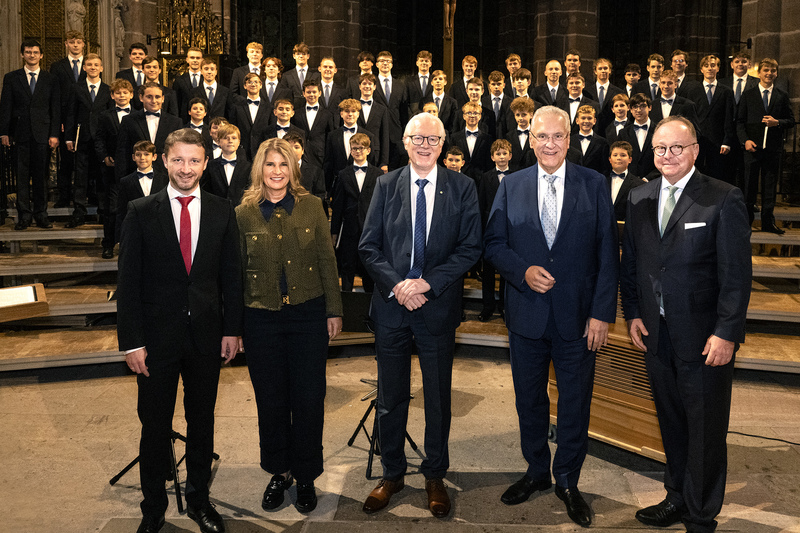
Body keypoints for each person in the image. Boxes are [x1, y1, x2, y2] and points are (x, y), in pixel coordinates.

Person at [483, 106, 618, 528]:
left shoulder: (595, 184)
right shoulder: (512, 185)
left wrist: (601, 314)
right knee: (529, 400)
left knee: (575, 402)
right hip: (527, 316)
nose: (549, 144)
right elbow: (493, 243)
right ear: (531, 139)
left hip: (579, 320)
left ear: (570, 138)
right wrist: (520, 272)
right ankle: (537, 470)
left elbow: (607, 254)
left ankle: (567, 480)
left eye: (558, 136)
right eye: (541, 136)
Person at [620, 116, 751, 533]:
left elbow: (736, 277)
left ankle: (700, 514)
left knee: (705, 429)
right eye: (660, 148)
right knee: (672, 423)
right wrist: (633, 313)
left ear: (695, 150)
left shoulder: (722, 197)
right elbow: (634, 263)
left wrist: (727, 332)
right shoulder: (639, 196)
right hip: (656, 336)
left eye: (677, 147)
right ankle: (676, 497)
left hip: (704, 338)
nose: (667, 155)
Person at [117, 128, 244, 533]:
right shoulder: (141, 210)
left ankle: (199, 501)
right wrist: (132, 342)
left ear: (206, 164)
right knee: (154, 425)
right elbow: (129, 283)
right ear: (163, 161)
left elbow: (232, 278)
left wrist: (233, 330)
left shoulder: (224, 210)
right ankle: (152, 506)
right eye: (178, 160)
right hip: (155, 340)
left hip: (207, 336)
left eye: (194, 160)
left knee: (201, 420)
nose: (185, 168)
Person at [358, 112, 482, 518]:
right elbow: (369, 246)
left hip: (437, 306)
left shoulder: (462, 187)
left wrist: (426, 284)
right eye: (417, 138)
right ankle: (392, 473)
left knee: (437, 396)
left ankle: (434, 474)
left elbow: (470, 248)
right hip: (393, 306)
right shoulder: (385, 184)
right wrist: (399, 285)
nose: (425, 145)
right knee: (390, 396)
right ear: (405, 143)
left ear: (443, 143)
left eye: (433, 139)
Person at [236, 137, 342, 514]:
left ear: (294, 169)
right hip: (260, 318)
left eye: (284, 165)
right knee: (272, 401)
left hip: (307, 315)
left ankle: (308, 474)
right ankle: (279, 472)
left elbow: (327, 261)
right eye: (270, 165)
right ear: (259, 170)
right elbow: (235, 273)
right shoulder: (243, 212)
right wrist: (234, 327)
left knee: (309, 399)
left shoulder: (313, 206)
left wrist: (334, 309)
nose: (277, 171)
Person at [0, 39, 60, 231]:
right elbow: (6, 107)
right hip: (20, 133)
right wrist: (4, 132)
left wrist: (54, 134)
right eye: (28, 52)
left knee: (41, 177)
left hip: (43, 134)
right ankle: (24, 216)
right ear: (22, 55)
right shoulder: (11, 77)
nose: (31, 55)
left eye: (35, 52)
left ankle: (41, 215)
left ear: (41, 55)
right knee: (22, 177)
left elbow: (55, 108)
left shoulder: (50, 79)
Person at [736, 57, 794, 233]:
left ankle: (768, 222)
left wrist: (777, 122)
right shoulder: (748, 95)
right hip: (752, 149)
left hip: (772, 149)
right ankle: (746, 222)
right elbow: (739, 121)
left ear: (776, 74)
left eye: (772, 71)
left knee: (770, 187)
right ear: (759, 73)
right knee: (749, 187)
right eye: (766, 70)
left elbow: (791, 120)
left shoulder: (781, 96)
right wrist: (745, 140)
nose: (769, 74)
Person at [64, 53, 113, 228]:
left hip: (101, 140)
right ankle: (79, 212)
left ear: (101, 68)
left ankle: (102, 210)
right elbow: (70, 114)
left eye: (96, 65)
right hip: (81, 137)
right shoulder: (76, 88)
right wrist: (69, 137)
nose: (93, 67)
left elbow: (111, 116)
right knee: (80, 176)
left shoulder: (108, 90)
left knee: (102, 175)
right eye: (89, 64)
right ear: (84, 68)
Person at [330, 132, 381, 292]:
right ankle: (345, 307)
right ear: (350, 151)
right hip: (349, 230)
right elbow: (337, 206)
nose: (358, 151)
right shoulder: (343, 175)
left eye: (361, 148)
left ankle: (369, 310)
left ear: (368, 150)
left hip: (370, 230)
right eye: (354, 148)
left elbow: (382, 205)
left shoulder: (378, 174)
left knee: (369, 269)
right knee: (347, 268)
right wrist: (334, 233)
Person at [95, 78, 135, 256]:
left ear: (132, 95)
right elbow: (99, 139)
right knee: (111, 208)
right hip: (112, 168)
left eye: (125, 92)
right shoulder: (105, 115)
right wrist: (104, 157)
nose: (121, 95)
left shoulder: (138, 115)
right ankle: (108, 244)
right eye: (118, 92)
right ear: (112, 95)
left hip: (134, 168)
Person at [115, 82, 183, 181]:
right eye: (149, 97)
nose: (154, 101)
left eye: (157, 97)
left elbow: (178, 152)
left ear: (163, 99)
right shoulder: (128, 120)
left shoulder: (175, 122)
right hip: (135, 175)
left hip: (166, 176)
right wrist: (121, 179)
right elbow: (122, 151)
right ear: (141, 98)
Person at [50, 30, 86, 208]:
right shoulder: (57, 66)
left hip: (84, 117)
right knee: (66, 160)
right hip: (65, 118)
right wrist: (60, 122)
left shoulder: (90, 64)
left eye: (78, 42)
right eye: (72, 42)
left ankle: (87, 195)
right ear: (66, 44)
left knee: (85, 160)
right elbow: (55, 96)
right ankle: (64, 195)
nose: (75, 45)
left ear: (83, 44)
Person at [478, 138, 512, 322]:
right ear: (492, 157)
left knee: (507, 270)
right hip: (490, 231)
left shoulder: (517, 177)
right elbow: (481, 204)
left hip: (509, 231)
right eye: (498, 154)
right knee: (489, 272)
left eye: (504, 153)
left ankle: (505, 306)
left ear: (510, 156)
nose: (501, 157)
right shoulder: (485, 177)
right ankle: (488, 306)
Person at [116, 140, 168, 244]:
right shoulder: (125, 181)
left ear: (154, 157)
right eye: (138, 155)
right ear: (133, 157)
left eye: (146, 154)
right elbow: (121, 211)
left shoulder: (165, 180)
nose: (142, 158)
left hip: (160, 230)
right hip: (135, 230)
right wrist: (120, 237)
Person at [695, 54, 736, 184]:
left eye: (713, 65)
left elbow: (729, 117)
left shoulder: (726, 91)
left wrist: (727, 141)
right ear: (701, 69)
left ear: (718, 69)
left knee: (717, 174)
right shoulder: (693, 90)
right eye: (706, 66)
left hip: (718, 141)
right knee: (697, 173)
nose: (710, 68)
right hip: (697, 139)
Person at [374, 51, 410, 170]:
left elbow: (404, 112)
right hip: (377, 133)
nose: (385, 63)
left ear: (392, 65)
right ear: (377, 64)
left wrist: (405, 135)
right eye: (382, 61)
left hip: (396, 134)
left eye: (388, 61)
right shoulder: (371, 84)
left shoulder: (400, 86)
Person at [201, 123, 251, 206]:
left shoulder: (248, 167)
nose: (230, 141)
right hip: (216, 209)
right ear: (218, 142)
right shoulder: (210, 166)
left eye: (234, 138)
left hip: (240, 211)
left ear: (239, 142)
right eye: (225, 138)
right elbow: (205, 190)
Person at [292, 80, 335, 169]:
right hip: (300, 156)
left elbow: (330, 137)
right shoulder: (296, 114)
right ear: (303, 94)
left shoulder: (328, 114)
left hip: (320, 157)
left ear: (320, 93)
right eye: (308, 92)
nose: (311, 94)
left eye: (314, 92)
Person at [617, 92, 656, 179]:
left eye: (642, 106)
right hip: (630, 182)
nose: (638, 110)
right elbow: (619, 160)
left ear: (650, 107)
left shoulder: (659, 130)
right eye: (635, 107)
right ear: (630, 109)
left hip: (654, 181)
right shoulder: (623, 133)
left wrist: (649, 178)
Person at [450, 101, 492, 182]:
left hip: (481, 180)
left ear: (480, 116)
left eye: (475, 113)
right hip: (460, 178)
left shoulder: (487, 138)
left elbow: (489, 163)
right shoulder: (454, 137)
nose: (472, 116)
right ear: (464, 116)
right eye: (469, 113)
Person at [356, 74, 390, 172]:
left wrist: (384, 162)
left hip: (375, 154)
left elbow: (385, 136)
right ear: (359, 86)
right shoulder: (353, 108)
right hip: (355, 151)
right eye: (364, 83)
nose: (367, 86)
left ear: (374, 87)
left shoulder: (382, 109)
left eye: (370, 84)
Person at [607, 140, 645, 222]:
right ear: (610, 159)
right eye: (615, 155)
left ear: (630, 159)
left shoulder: (639, 184)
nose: (619, 158)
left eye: (623, 155)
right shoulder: (601, 181)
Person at [583, 58, 623, 135]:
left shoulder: (618, 92)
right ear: (595, 71)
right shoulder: (586, 92)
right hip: (591, 130)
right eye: (600, 68)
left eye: (605, 68)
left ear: (610, 70)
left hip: (612, 131)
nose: (603, 71)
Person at [570, 104, 609, 175]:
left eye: (589, 118)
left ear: (594, 121)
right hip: (573, 181)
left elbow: (605, 169)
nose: (586, 121)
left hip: (594, 182)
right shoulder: (569, 141)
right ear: (577, 121)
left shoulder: (603, 143)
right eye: (583, 118)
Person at [193, 58, 231, 123]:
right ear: (201, 71)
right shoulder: (194, 92)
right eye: (206, 69)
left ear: (216, 72)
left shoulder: (226, 92)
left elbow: (230, 114)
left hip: (221, 129)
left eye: (212, 69)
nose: (209, 72)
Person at [172, 47, 205, 122]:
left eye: (198, 58)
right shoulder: (179, 80)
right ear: (187, 60)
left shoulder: (207, 80)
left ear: (202, 60)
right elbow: (176, 104)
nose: (195, 60)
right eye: (192, 58)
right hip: (184, 121)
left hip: (204, 122)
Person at [505, 97, 535, 171]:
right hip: (514, 174)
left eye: (524, 114)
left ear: (531, 115)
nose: (520, 118)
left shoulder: (536, 135)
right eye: (517, 115)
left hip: (532, 173)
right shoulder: (508, 136)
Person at [407, 50, 434, 114]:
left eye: (426, 61)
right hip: (414, 117)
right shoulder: (409, 81)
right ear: (417, 63)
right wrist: (412, 117)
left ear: (430, 64)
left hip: (431, 117)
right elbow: (406, 102)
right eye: (421, 60)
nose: (424, 63)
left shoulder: (435, 80)